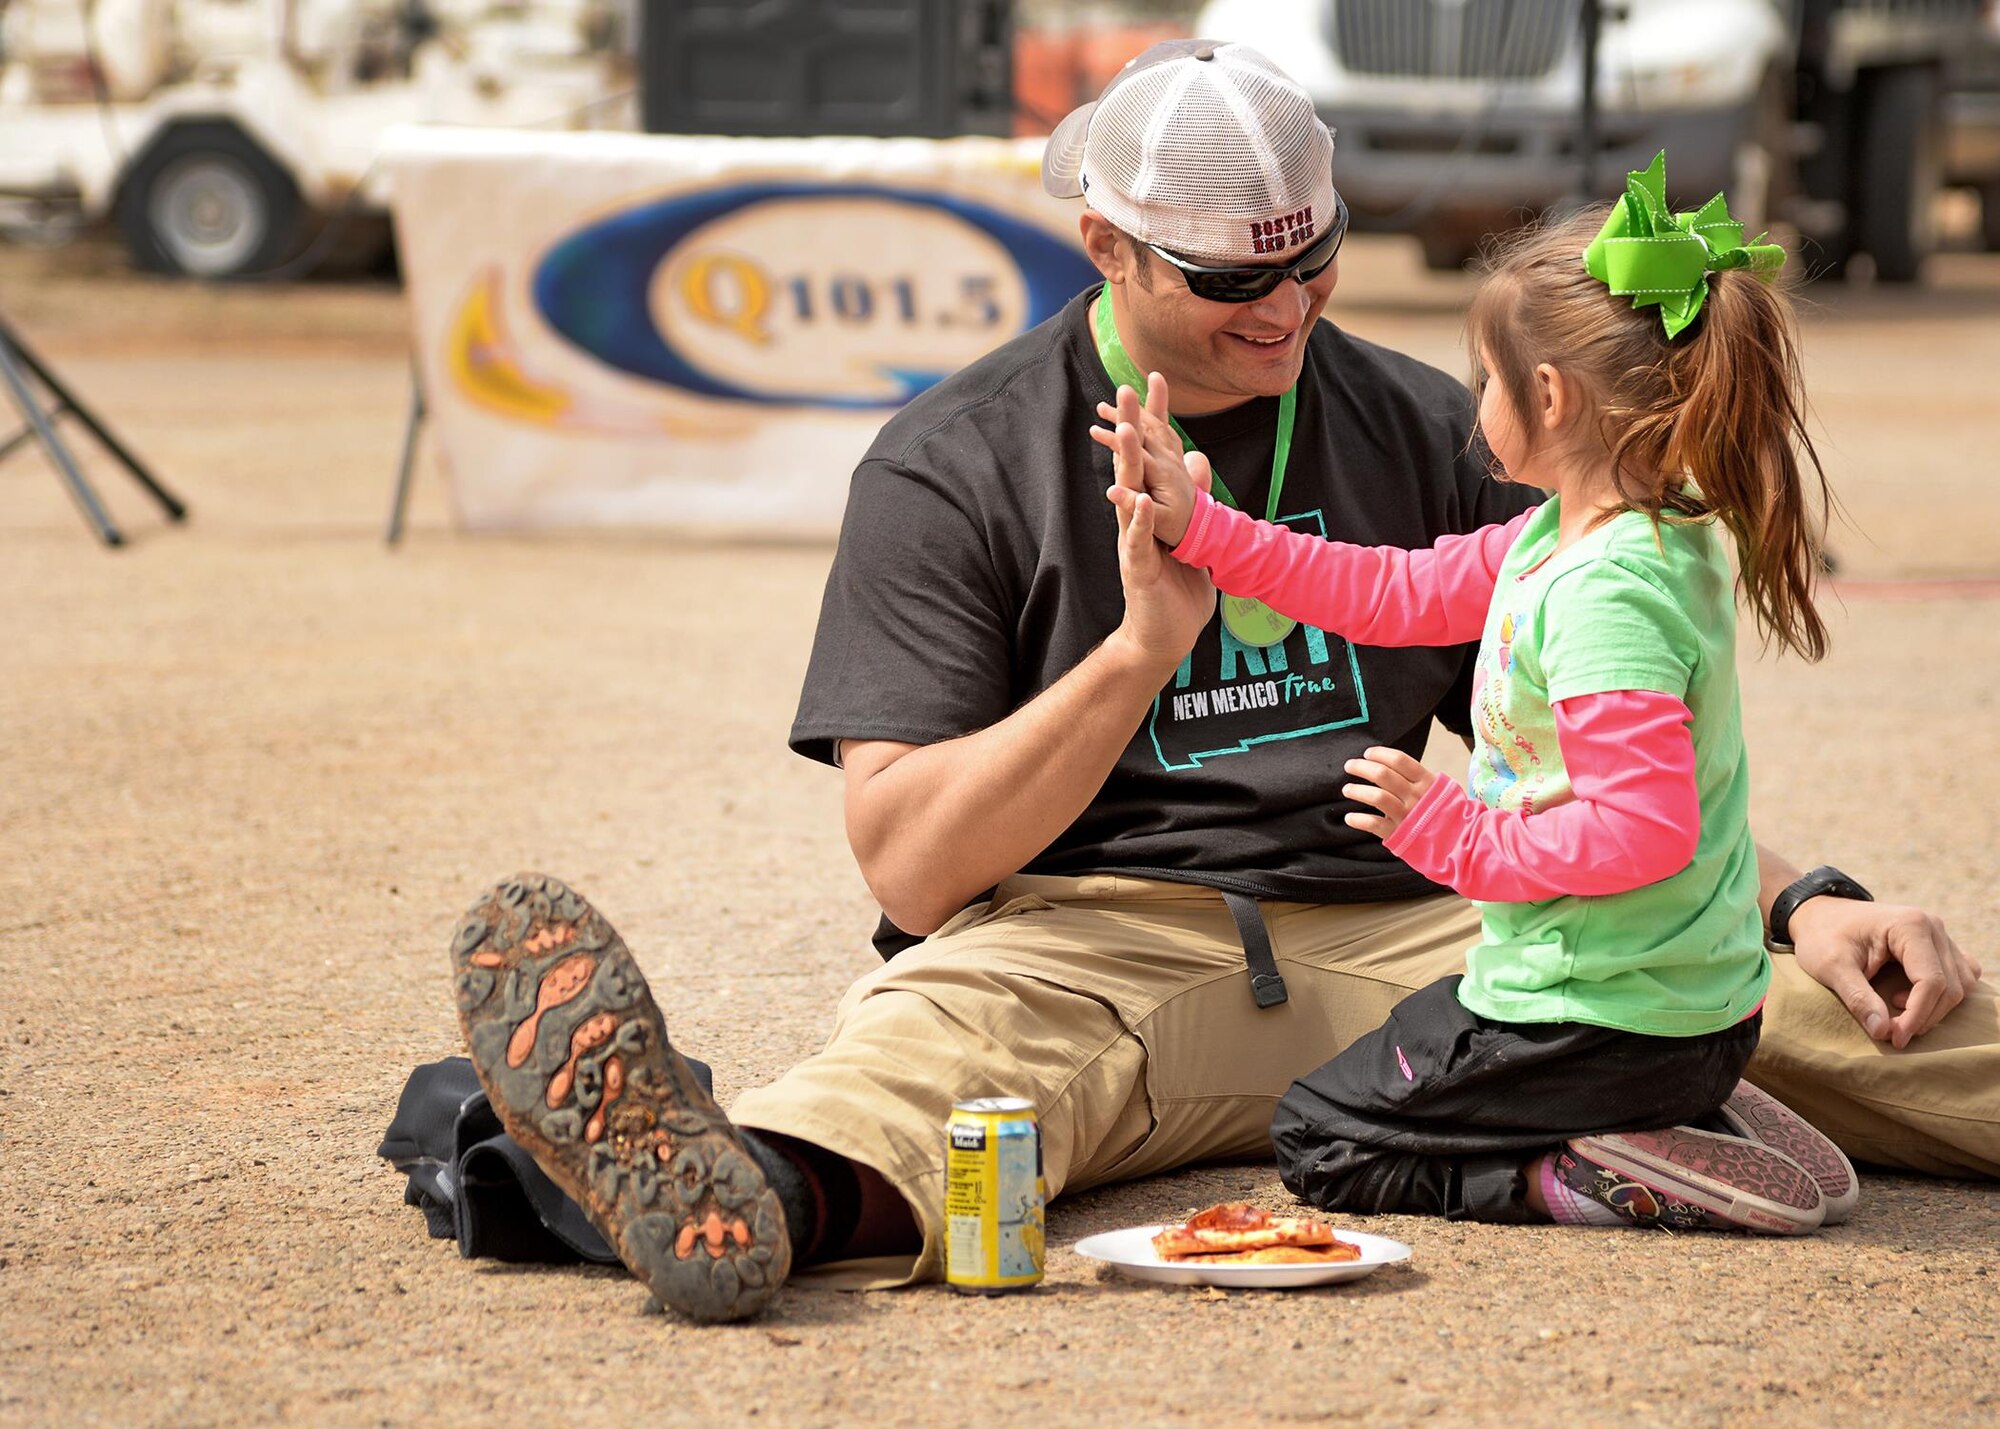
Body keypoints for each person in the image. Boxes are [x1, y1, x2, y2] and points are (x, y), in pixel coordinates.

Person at [442, 41, 1995, 1324]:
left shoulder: (1437, 427)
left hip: (1434, 921)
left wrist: (1807, 902)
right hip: (1096, 942)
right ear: (1104, 244)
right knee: (919, 1078)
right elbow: (913, 864)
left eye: (1311, 262)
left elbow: (1604, 755)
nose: (1284, 311)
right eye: (1223, 279)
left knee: (1840, 1007)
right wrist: (1138, 652)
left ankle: (1602, 1112)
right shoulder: (953, 463)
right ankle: (738, 1204)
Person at [1104, 148, 1863, 1235]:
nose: (1473, 403)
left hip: (1587, 1013)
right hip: (1656, 1005)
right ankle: (1674, 1101)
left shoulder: (1606, 592)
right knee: (1390, 1070)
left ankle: (1592, 1164)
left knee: (1318, 1134)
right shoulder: (1599, 529)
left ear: (1547, 396)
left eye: (1485, 380)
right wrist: (1199, 527)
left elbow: (1643, 831)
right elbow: (1382, 591)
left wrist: (1454, 836)